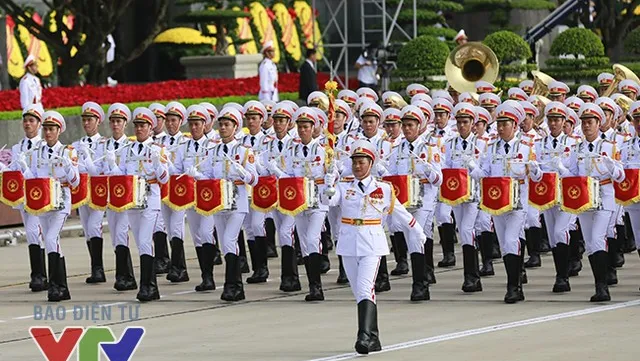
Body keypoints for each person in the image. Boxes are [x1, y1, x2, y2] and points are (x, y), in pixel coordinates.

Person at [321, 139, 425, 355]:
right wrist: (328, 187)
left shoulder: (384, 188)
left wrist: (417, 230)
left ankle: (363, 337)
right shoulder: (343, 186)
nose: (357, 166)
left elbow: (400, 212)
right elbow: (329, 202)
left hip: (372, 242)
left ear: (371, 163)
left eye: (361, 162)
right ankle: (374, 338)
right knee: (359, 291)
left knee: (365, 287)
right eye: (355, 162)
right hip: (348, 242)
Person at [469, 103, 543, 304]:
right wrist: (472, 169)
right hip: (496, 203)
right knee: (506, 244)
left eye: (505, 124)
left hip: (518, 203)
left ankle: (512, 287)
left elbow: (537, 178)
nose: (501, 128)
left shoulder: (527, 147)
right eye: (499, 124)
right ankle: (517, 280)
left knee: (511, 240)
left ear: (515, 125)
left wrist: (534, 170)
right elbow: (484, 174)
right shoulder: (491, 147)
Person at [104, 107, 170, 302]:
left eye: (143, 126)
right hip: (132, 200)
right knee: (140, 242)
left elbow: (164, 178)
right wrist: (112, 165)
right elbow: (122, 175)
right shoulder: (128, 150)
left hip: (150, 198)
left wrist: (158, 163)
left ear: (151, 128)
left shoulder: (157, 149)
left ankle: (148, 286)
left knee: (143, 240)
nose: (139, 129)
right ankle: (148, 287)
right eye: (137, 125)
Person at [564, 103, 625, 302]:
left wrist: (612, 167)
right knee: (590, 243)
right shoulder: (577, 149)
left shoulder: (610, 146)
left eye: (590, 122)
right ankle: (600, 282)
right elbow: (573, 173)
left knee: (598, 238)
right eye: (584, 123)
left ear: (599, 123)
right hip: (584, 199)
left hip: (604, 197)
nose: (586, 126)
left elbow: (620, 175)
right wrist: (562, 171)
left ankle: (603, 287)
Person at [19, 111, 80, 302]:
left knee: (52, 238)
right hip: (44, 203)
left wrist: (69, 167)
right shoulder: (37, 152)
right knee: (51, 242)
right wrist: (24, 169)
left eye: (51, 129)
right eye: (45, 129)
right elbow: (34, 178)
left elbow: (76, 182)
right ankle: (61, 288)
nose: (47, 133)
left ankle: (55, 286)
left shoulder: (68, 151)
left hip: (61, 200)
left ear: (59, 131)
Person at [201, 106, 258, 301]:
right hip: (218, 203)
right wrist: (197, 175)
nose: (223, 128)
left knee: (228, 240)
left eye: (227, 125)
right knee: (226, 245)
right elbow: (208, 175)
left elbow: (254, 180)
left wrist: (244, 173)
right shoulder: (213, 150)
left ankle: (233, 285)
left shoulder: (244, 151)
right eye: (221, 124)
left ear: (236, 127)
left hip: (237, 203)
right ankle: (233, 286)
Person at [4, 104, 46, 292]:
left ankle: (40, 275)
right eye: (25, 120)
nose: (27, 124)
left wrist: (26, 170)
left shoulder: (44, 146)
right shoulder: (17, 147)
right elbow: (14, 172)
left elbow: (41, 173)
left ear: (39, 124)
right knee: (32, 235)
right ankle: (38, 274)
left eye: (31, 121)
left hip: (40, 197)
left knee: (36, 232)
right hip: (24, 198)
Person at [73, 102, 107, 284]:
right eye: (84, 120)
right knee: (87, 229)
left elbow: (101, 170)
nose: (86, 123)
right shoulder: (76, 144)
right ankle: (95, 269)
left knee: (95, 226)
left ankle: (99, 268)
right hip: (81, 192)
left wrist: (87, 159)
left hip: (98, 191)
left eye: (90, 120)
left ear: (98, 121)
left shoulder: (104, 144)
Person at [160, 102, 190, 284]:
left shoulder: (185, 142)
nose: (170, 124)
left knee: (177, 226)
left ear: (180, 121)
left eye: (173, 120)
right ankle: (176, 265)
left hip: (179, 189)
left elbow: (183, 169)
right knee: (169, 228)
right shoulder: (160, 142)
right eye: (168, 120)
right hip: (164, 190)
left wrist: (169, 166)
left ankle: (180, 268)